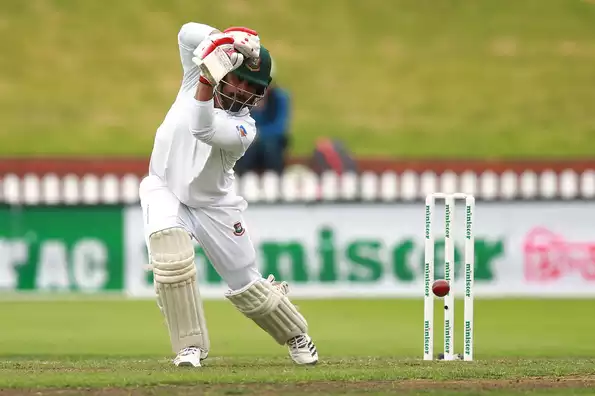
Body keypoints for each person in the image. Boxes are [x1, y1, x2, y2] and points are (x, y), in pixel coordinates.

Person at [138, 22, 318, 368]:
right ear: (226, 69)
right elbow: (185, 32)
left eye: (254, 87)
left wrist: (208, 76)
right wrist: (227, 39)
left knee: (246, 283)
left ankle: (296, 332)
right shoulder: (196, 73)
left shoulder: (244, 128)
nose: (245, 91)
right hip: (163, 186)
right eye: (241, 80)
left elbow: (201, 127)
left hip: (213, 205)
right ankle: (189, 347)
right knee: (170, 257)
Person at [234, 61, 291, 175]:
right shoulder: (242, 98)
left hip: (271, 143)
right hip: (249, 143)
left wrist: (257, 135)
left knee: (269, 147)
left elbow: (280, 127)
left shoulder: (280, 97)